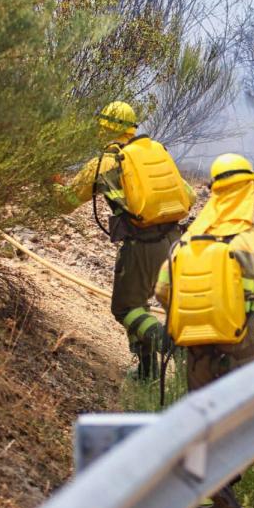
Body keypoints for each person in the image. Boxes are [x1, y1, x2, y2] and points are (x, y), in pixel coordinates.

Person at [155, 153, 254, 508]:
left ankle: (208, 502)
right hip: (240, 348)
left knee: (204, 424)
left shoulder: (186, 242)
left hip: (195, 352)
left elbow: (163, 292)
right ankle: (219, 494)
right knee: (244, 426)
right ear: (248, 192)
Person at [56, 101, 194, 380]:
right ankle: (148, 372)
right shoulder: (155, 152)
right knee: (161, 307)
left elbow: (66, 201)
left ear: (103, 128)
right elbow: (188, 196)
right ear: (132, 127)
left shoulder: (106, 162)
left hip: (143, 245)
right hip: (176, 241)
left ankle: (167, 345)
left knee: (127, 308)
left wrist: (48, 183)